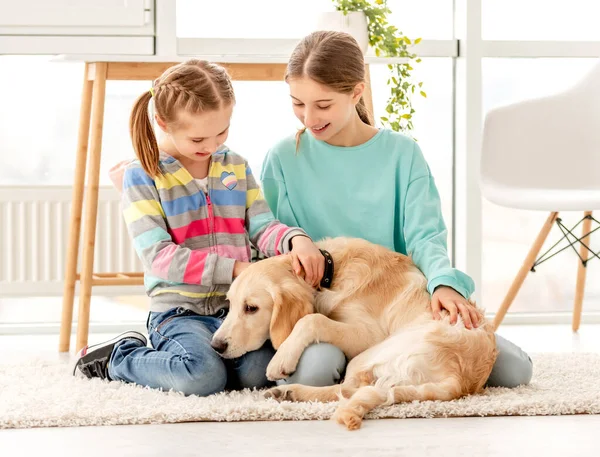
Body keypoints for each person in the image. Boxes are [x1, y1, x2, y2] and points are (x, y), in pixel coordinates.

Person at [261, 31, 533, 389]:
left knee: (514, 370)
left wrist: (442, 283)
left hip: (396, 307)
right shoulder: (283, 158)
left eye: (323, 105)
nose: (308, 118)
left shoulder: (403, 154)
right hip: (328, 311)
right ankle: (375, 366)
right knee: (315, 372)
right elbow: (266, 235)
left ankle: (383, 365)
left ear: (356, 92)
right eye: (298, 103)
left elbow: (426, 236)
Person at [71, 59, 324, 396]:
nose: (213, 145)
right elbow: (159, 257)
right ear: (163, 123)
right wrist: (236, 269)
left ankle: (203, 363)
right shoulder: (143, 176)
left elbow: (262, 226)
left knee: (258, 373)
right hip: (178, 313)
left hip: (232, 311)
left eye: (223, 131)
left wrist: (297, 239)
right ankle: (120, 357)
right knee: (202, 377)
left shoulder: (234, 166)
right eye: (200, 137)